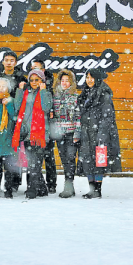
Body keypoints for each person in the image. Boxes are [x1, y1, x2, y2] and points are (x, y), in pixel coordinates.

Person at [76, 68, 122, 199]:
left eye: (91, 78)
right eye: (87, 78)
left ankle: (97, 190)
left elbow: (108, 117)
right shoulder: (85, 93)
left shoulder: (104, 94)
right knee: (87, 161)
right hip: (86, 133)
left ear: (97, 79)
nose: (89, 80)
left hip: (99, 133)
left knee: (98, 162)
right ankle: (91, 189)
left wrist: (101, 134)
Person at [13, 69, 52, 199]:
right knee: (32, 163)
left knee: (35, 163)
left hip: (40, 134)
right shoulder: (26, 93)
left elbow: (46, 107)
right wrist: (19, 91)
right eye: (32, 80)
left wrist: (43, 90)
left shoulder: (45, 93)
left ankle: (32, 190)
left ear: (42, 80)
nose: (34, 82)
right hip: (27, 133)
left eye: (37, 80)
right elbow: (17, 106)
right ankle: (42, 188)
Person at [0, 50, 26, 192]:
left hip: (15, 116)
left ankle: (14, 182)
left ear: (16, 63)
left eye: (12, 60)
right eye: (6, 60)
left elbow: (24, 99)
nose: (9, 63)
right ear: (3, 62)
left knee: (14, 151)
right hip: (0, 117)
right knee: (1, 151)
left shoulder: (21, 78)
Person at [51, 69, 81, 198]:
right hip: (59, 133)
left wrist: (77, 133)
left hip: (71, 132)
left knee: (70, 158)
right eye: (62, 80)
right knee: (64, 159)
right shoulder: (55, 96)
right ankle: (69, 186)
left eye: (67, 81)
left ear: (71, 83)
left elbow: (78, 116)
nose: (64, 83)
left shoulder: (75, 97)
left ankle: (68, 185)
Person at [30, 58, 57, 194]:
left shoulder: (50, 85)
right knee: (34, 157)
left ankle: (51, 183)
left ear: (43, 70)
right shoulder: (31, 83)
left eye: (37, 68)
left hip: (49, 126)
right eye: (32, 68)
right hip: (34, 126)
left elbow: (51, 105)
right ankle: (36, 184)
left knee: (49, 156)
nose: (34, 70)